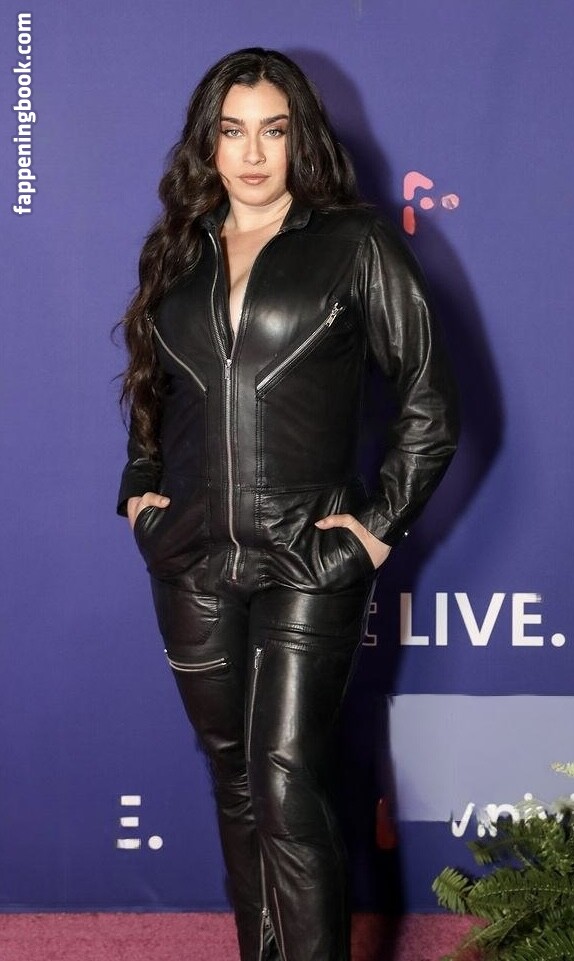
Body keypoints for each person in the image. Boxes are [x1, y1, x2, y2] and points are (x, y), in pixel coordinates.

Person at [116, 47, 458, 961]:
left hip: (308, 556)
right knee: (235, 780)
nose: (253, 153)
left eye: (274, 130)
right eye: (233, 132)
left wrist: (375, 531)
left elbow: (429, 402)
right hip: (191, 559)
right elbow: (152, 391)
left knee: (283, 779)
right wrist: (140, 493)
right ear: (209, 143)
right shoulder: (177, 251)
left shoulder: (356, 244)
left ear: (301, 137)